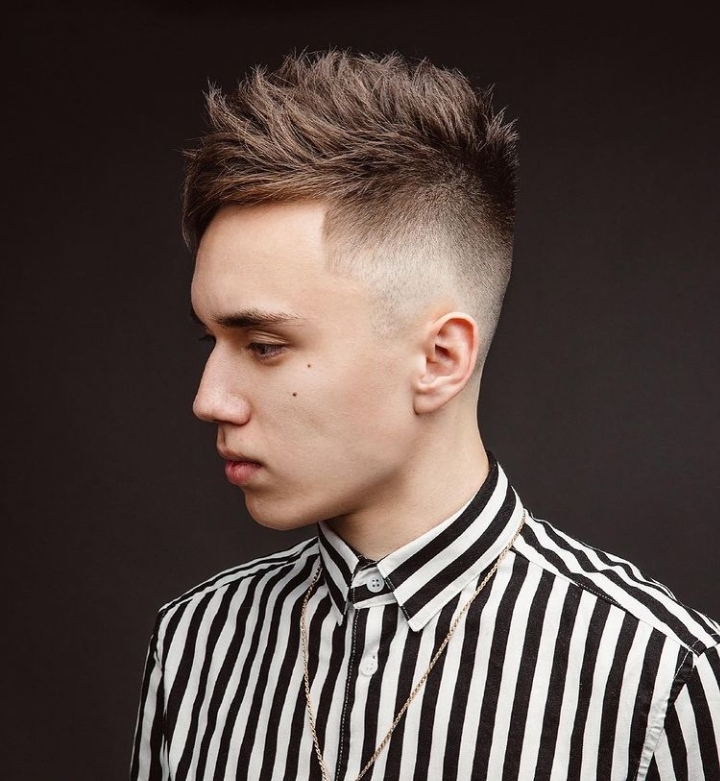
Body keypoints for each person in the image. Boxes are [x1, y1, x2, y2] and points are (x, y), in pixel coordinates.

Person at [130, 50, 720, 781]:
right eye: (211, 341)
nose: (208, 398)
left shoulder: (658, 682)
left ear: (440, 359)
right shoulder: (194, 646)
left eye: (264, 345)